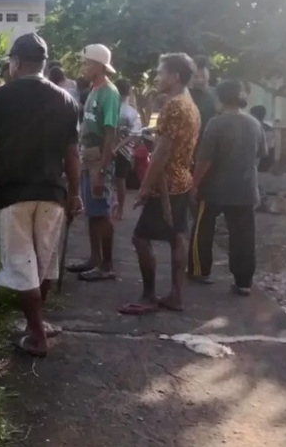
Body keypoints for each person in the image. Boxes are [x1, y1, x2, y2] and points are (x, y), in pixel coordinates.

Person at [0, 33, 82, 357]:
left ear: (16, 62)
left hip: (13, 193)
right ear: (43, 63)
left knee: (22, 266)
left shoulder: (1, 98)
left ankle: (37, 338)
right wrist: (75, 194)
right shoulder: (66, 99)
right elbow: (72, 154)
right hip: (52, 194)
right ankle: (37, 324)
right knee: (43, 264)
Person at [121, 53, 200, 315]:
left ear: (174, 76)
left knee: (140, 238)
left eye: (160, 72)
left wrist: (145, 186)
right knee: (178, 237)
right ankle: (176, 295)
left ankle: (148, 296)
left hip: (167, 185)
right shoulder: (189, 103)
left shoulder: (174, 106)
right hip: (182, 179)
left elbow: (162, 152)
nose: (156, 78)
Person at [188, 81, 267, 294]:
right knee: (243, 236)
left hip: (214, 189)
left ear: (219, 98)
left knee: (203, 228)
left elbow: (204, 160)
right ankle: (243, 282)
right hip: (246, 189)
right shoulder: (254, 123)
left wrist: (194, 184)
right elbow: (262, 153)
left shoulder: (216, 124)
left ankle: (200, 271)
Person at [68, 44, 121, 282]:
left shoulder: (109, 93)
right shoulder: (93, 89)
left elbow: (111, 134)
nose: (84, 67)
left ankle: (107, 265)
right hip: (88, 157)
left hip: (99, 159)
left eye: (88, 63)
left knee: (102, 213)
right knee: (92, 212)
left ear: (100, 66)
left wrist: (101, 169)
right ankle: (94, 258)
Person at [112, 78, 143, 221]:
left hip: (109, 148)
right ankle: (120, 209)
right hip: (124, 152)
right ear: (129, 92)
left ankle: (113, 203)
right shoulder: (131, 112)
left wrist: (115, 146)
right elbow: (135, 135)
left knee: (110, 179)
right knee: (120, 180)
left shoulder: (111, 108)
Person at [190, 55, 218, 144]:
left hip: (212, 140)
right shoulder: (185, 95)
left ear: (208, 75)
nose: (200, 80)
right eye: (196, 76)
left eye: (203, 76)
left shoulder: (217, 94)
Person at [250, 105, 275, 173]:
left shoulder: (249, 128)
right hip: (265, 162)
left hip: (254, 162)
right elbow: (271, 147)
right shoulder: (269, 129)